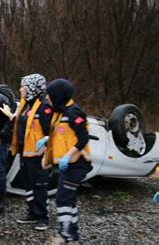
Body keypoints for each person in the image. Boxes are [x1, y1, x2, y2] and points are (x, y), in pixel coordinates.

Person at [38, 78, 92, 243]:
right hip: (69, 165)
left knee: (62, 198)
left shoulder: (73, 113)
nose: (47, 97)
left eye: (50, 94)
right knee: (69, 198)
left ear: (58, 95)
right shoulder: (61, 112)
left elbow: (83, 138)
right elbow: (63, 135)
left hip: (77, 163)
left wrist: (69, 155)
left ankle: (65, 235)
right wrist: (47, 139)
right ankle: (72, 235)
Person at [0, 74, 52, 231]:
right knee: (28, 183)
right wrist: (10, 115)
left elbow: (51, 131)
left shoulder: (44, 107)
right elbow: (22, 123)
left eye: (23, 86)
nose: (20, 89)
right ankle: (32, 212)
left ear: (32, 88)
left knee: (39, 185)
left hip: (38, 154)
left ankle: (42, 216)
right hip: (25, 151)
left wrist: (45, 150)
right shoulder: (25, 105)